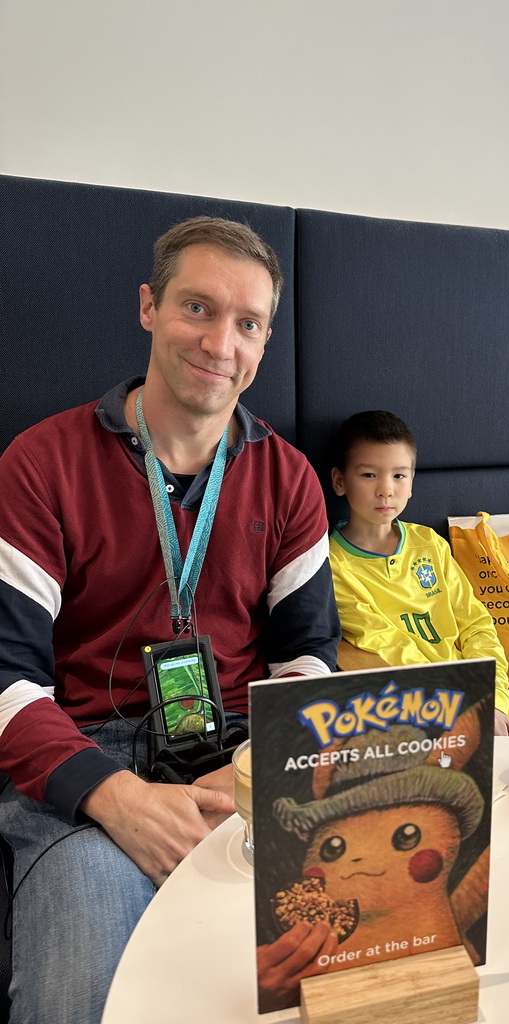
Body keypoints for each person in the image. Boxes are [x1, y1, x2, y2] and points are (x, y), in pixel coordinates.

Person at [0, 216, 340, 1024]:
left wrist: (258, 765)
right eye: (198, 308)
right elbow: (7, 679)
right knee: (85, 998)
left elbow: (309, 657)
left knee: (356, 966)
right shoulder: (40, 464)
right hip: (83, 761)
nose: (221, 342)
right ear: (149, 307)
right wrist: (116, 797)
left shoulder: (289, 480)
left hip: (242, 755)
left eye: (248, 323)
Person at [328, 410, 509, 738]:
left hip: (496, 706)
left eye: (399, 476)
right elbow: (385, 645)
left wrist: (495, 697)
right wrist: (465, 705)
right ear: (340, 481)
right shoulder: (332, 563)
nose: (386, 490)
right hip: (423, 716)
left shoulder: (429, 542)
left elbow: (476, 626)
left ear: (412, 484)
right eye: (369, 475)